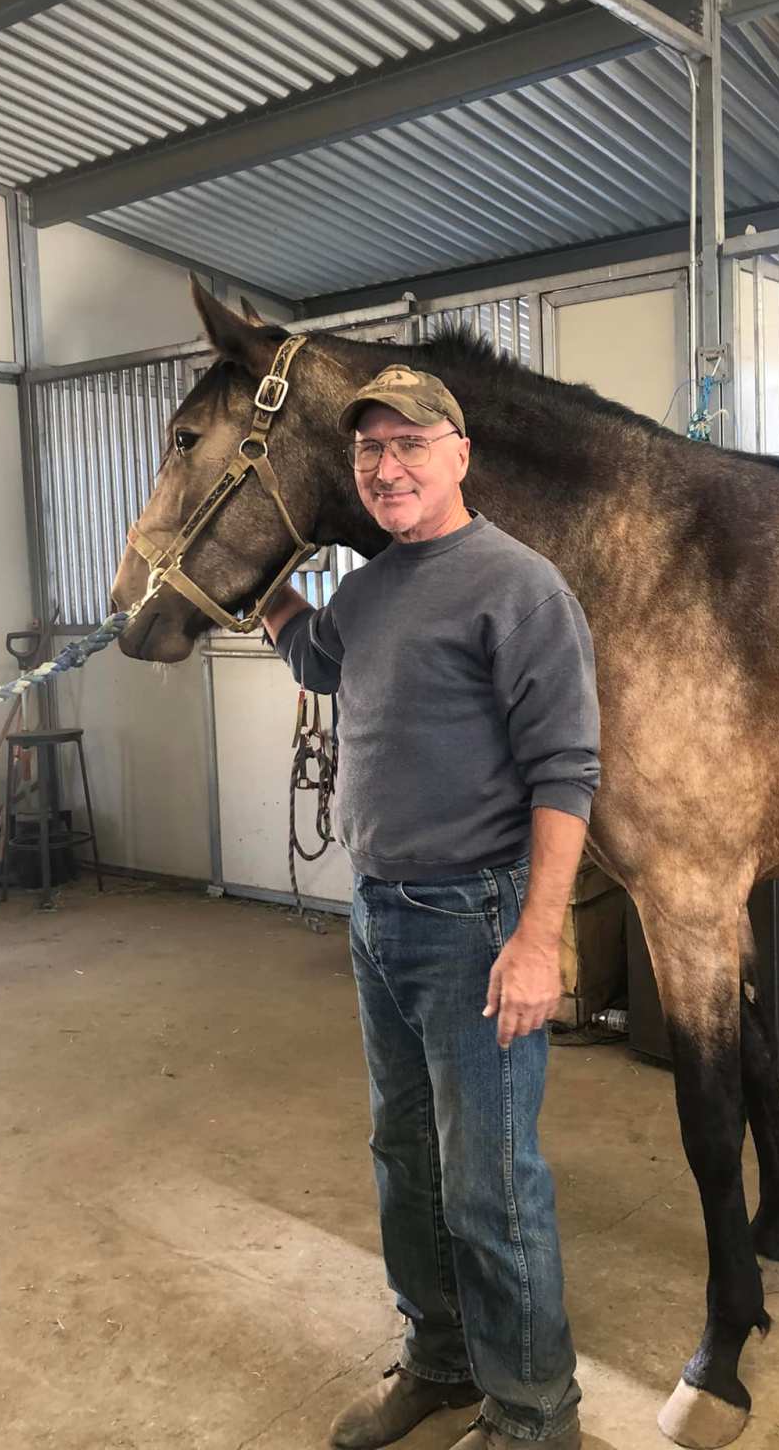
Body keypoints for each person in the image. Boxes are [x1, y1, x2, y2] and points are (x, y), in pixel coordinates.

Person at [263, 363, 600, 1450]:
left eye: (410, 444)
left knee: (490, 1183)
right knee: (407, 1157)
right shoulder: (371, 584)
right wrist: (258, 581)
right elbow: (322, 656)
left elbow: (566, 773)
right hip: (378, 914)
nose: (387, 465)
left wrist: (538, 938)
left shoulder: (519, 584)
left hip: (476, 920)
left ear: (461, 455)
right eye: (369, 450)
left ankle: (534, 1414)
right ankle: (442, 1359)